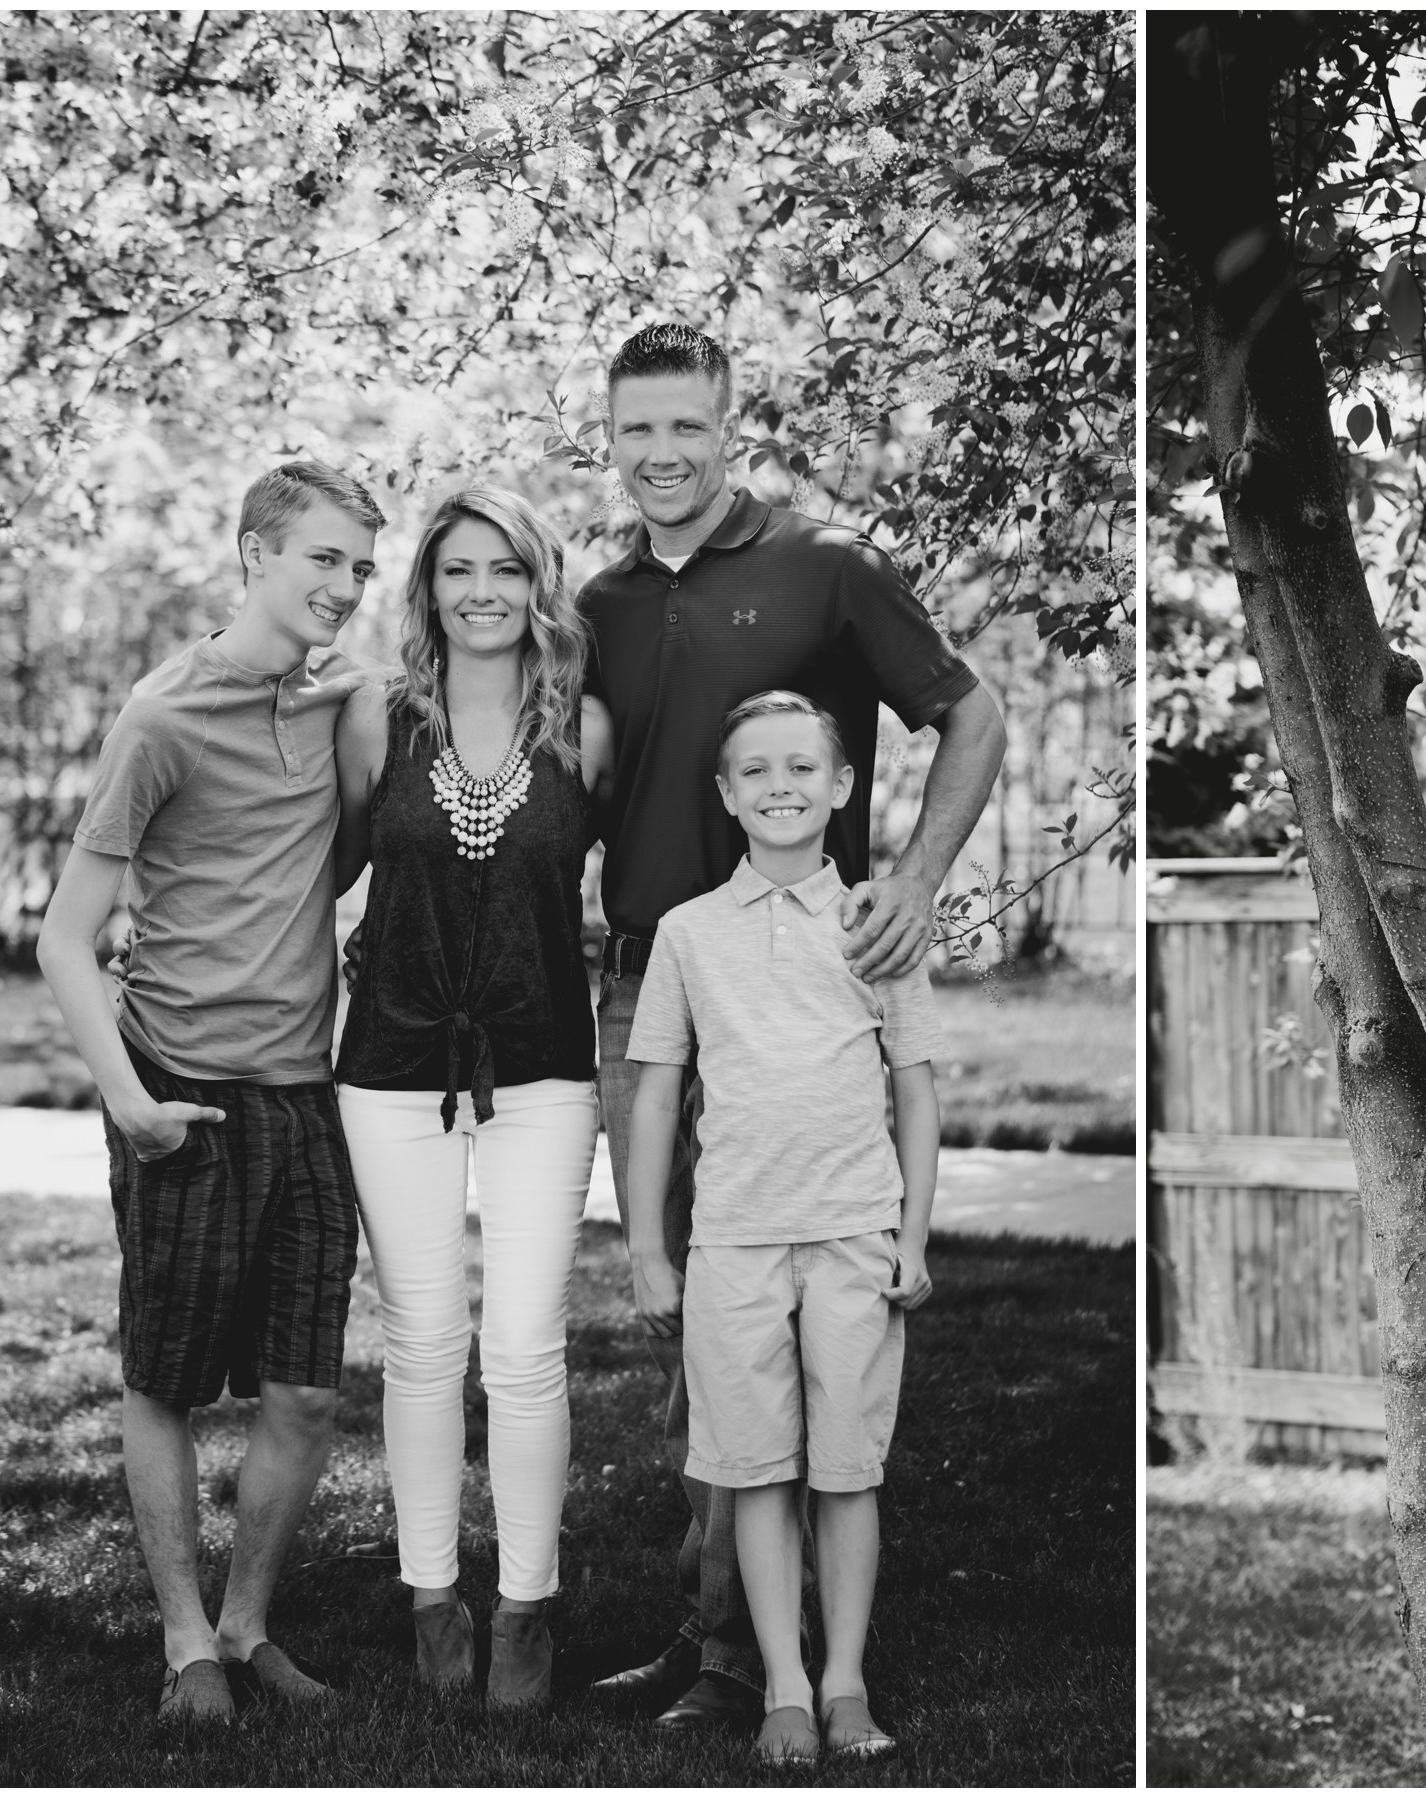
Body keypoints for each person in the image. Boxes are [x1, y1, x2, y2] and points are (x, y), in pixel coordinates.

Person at [579, 321, 1006, 1730]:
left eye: (684, 428)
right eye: (636, 430)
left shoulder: (826, 569)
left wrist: (921, 883)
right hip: (655, 974)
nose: (661, 456)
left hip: (813, 983)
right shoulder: (601, 604)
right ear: (612, 433)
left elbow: (975, 713)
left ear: (728, 422)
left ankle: (770, 1658)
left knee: (809, 1287)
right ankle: (722, 1638)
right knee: (705, 1317)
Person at [35, 460, 385, 1728]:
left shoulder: (347, 696)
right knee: (166, 1382)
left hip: (302, 1095)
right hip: (178, 1091)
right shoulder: (161, 716)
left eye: (358, 566)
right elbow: (66, 938)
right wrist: (129, 1102)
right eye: (323, 561)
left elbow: (342, 855)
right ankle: (185, 1643)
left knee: (304, 1391)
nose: (345, 588)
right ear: (253, 552)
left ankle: (247, 1626)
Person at [331, 487, 611, 1708]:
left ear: (537, 582)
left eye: (505, 568)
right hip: (391, 1066)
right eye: (459, 570)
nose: (483, 590)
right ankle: (434, 1594)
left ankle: (527, 1610)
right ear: (428, 589)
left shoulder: (584, 730)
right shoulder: (378, 721)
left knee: (526, 1348)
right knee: (421, 1341)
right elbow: (321, 865)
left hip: (544, 1066)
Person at [622, 689, 941, 1764]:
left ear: (842, 785)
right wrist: (649, 1248)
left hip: (854, 1232)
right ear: (725, 793)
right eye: (755, 771)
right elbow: (659, 1095)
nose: (780, 788)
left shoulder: (878, 926)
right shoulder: (687, 935)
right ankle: (785, 1688)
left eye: (802, 768)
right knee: (754, 1470)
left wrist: (918, 1235)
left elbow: (917, 1091)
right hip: (736, 1243)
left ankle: (847, 1678)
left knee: (847, 1468)